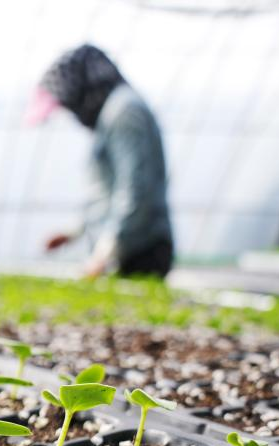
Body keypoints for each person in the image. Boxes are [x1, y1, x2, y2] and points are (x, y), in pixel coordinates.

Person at [28, 44, 174, 279]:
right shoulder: (112, 112)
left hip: (139, 253)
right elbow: (108, 190)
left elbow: (135, 188)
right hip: (125, 251)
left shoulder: (124, 111)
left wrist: (107, 250)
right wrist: (76, 231)